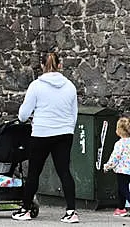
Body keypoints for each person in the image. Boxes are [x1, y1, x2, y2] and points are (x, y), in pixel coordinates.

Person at [12, 51, 79, 223]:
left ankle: (25, 209)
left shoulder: (36, 86)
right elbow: (74, 114)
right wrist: (68, 128)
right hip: (64, 133)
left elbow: (24, 113)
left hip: (41, 133)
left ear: (42, 66)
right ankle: (71, 211)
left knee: (34, 172)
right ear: (60, 65)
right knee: (64, 172)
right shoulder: (70, 86)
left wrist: (23, 119)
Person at [103, 117, 130, 218]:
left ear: (119, 130)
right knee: (123, 188)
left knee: (123, 189)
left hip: (122, 170)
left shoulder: (119, 144)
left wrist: (107, 166)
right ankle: (121, 209)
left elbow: (115, 157)